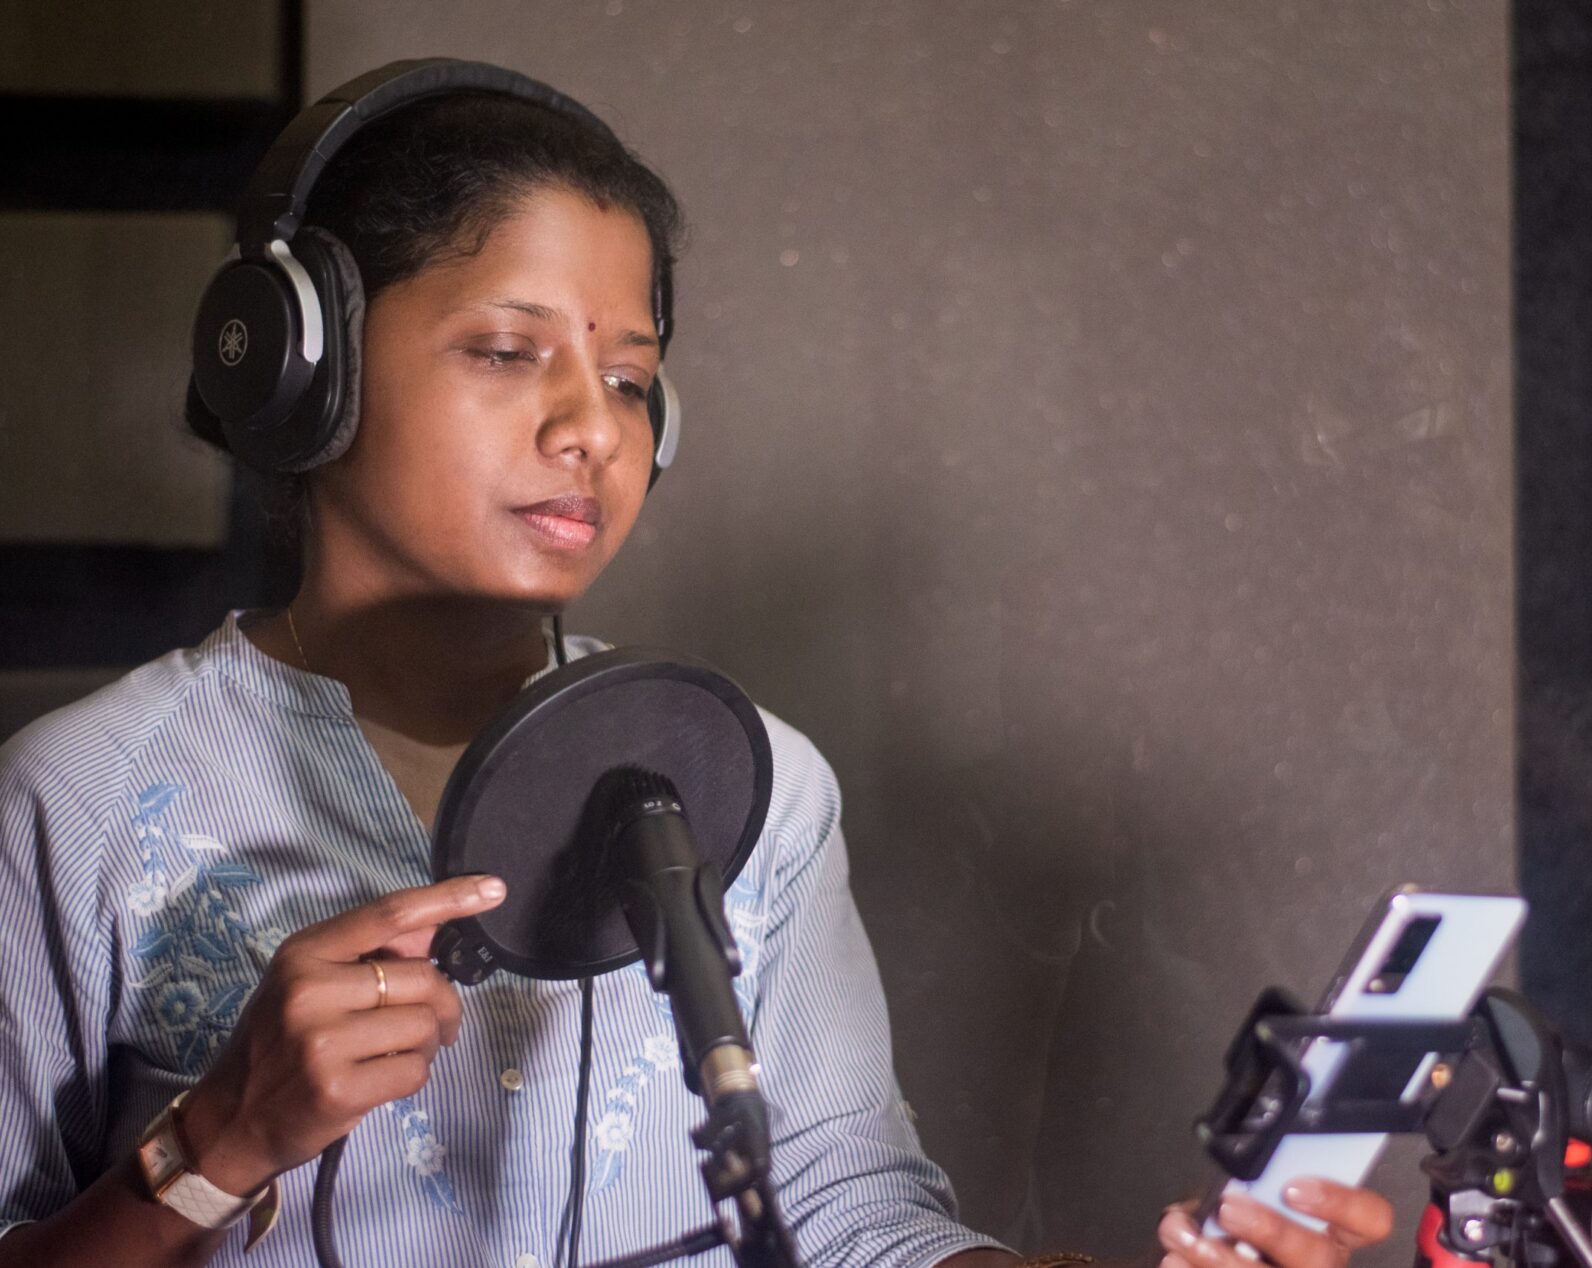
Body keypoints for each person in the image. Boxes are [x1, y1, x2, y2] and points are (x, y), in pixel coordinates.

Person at [0, 63, 1393, 1268]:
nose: (591, 429)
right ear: (306, 370)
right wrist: (213, 1145)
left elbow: (853, 1224)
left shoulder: (755, 787)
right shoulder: (80, 799)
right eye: (507, 351)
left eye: (627, 377)